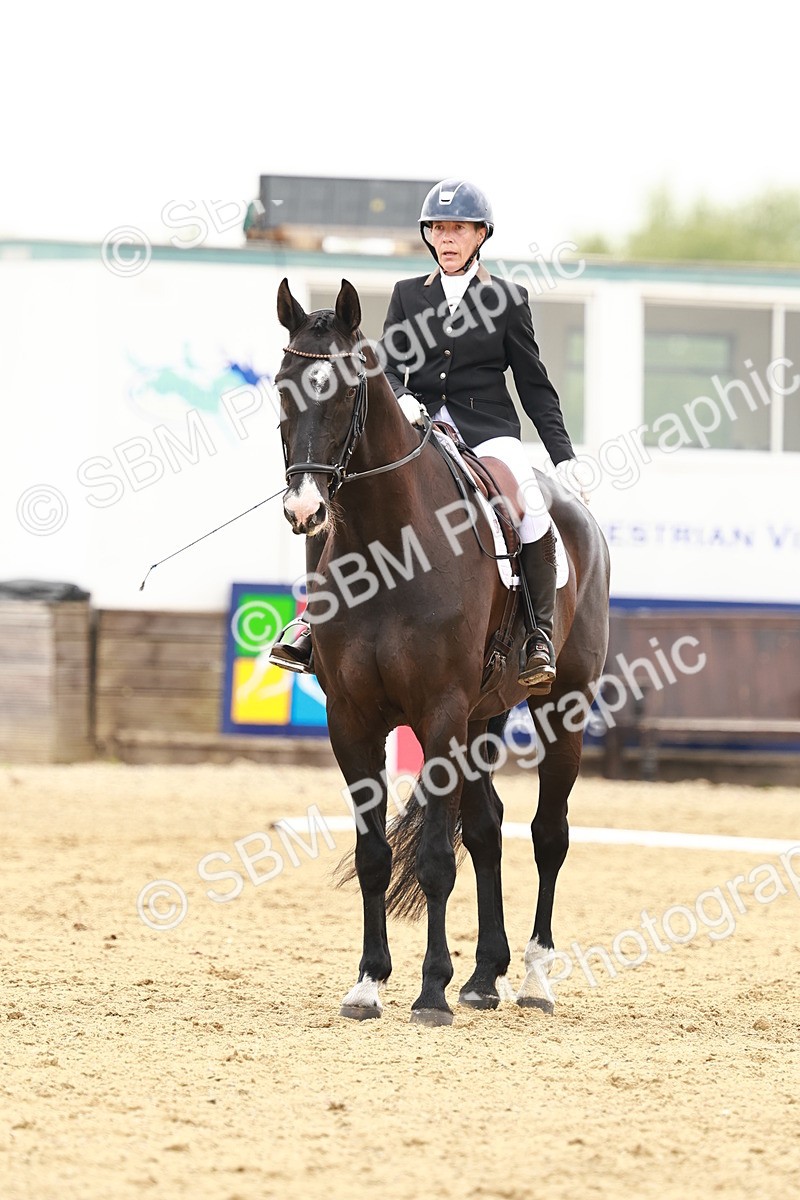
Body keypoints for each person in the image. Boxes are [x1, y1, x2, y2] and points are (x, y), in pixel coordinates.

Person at [270, 178, 587, 689]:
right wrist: (403, 396)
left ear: (480, 235)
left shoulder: (507, 299)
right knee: (336, 497)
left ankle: (539, 636)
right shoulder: (407, 295)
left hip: (488, 431)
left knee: (531, 510)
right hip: (420, 427)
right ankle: (312, 620)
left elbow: (534, 384)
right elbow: (385, 365)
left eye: (457, 229)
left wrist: (562, 455)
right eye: (438, 229)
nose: (446, 238)